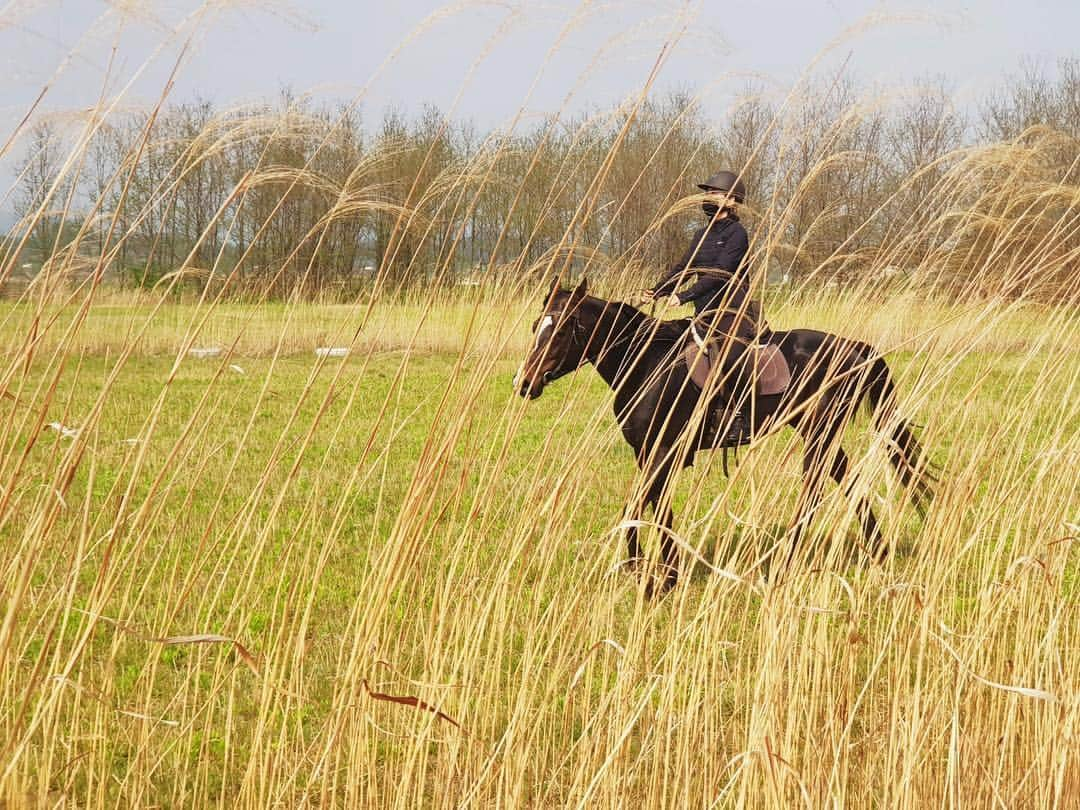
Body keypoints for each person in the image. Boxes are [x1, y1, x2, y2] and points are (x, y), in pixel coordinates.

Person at [640, 170, 761, 446]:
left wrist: (684, 297)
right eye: (707, 192)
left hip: (732, 313)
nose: (708, 197)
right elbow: (685, 267)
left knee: (727, 354)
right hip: (704, 313)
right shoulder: (700, 234)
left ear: (732, 202)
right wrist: (659, 290)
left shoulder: (737, 234)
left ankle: (738, 418)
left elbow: (720, 273)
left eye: (714, 193)